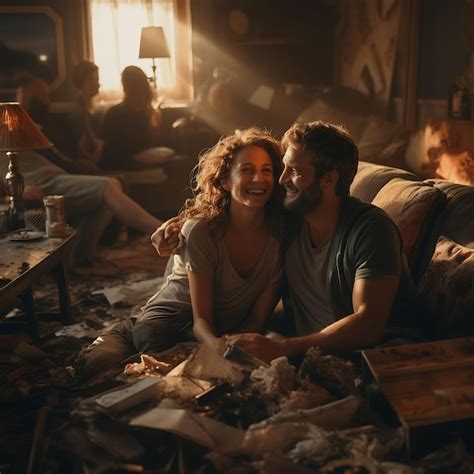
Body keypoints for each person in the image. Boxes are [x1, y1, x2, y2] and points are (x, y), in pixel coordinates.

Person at [154, 121, 419, 362]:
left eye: (293, 172)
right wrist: (176, 225)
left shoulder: (371, 230)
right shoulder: (291, 219)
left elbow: (368, 325)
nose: (281, 180)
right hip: (304, 351)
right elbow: (233, 206)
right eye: (283, 168)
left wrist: (282, 348)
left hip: (377, 358)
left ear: (329, 179)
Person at [80, 128, 284, 372]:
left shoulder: (281, 239)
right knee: (124, 360)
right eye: (247, 170)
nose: (259, 179)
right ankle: (128, 334)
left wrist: (235, 348)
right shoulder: (203, 231)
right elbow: (201, 320)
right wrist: (217, 348)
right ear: (225, 181)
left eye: (267, 170)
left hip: (218, 332)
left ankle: (131, 341)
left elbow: (256, 322)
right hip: (170, 323)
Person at [10, 76, 163, 264]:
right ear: (25, 95)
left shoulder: (36, 124)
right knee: (110, 184)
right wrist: (12, 194)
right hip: (41, 182)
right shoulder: (9, 124)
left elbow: (57, 154)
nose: (47, 102)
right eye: (41, 96)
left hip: (57, 176)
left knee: (109, 193)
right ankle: (159, 229)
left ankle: (81, 256)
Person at [100, 65, 175, 171]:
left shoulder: (125, 110)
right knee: (172, 156)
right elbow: (142, 144)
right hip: (124, 160)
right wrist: (154, 124)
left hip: (121, 158)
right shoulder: (125, 112)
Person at [67, 60, 104, 166]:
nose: (97, 84)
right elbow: (83, 151)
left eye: (97, 79)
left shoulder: (94, 107)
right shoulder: (78, 113)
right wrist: (101, 146)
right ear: (80, 83)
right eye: (91, 80)